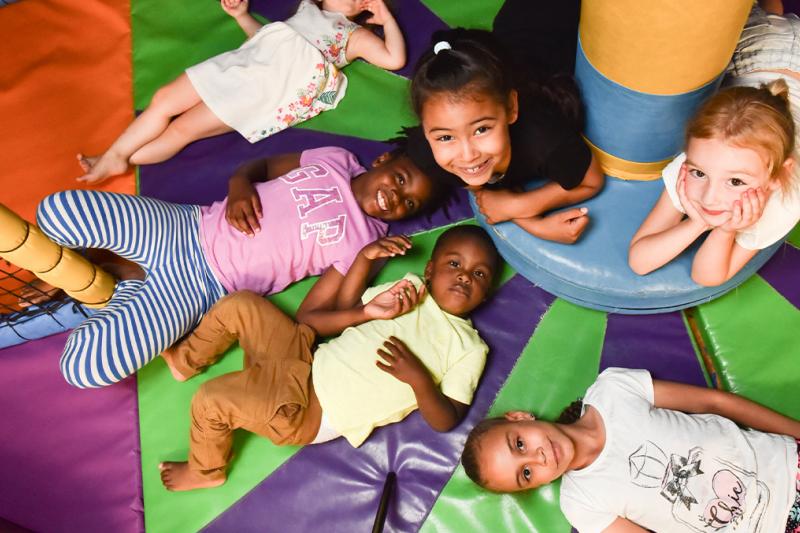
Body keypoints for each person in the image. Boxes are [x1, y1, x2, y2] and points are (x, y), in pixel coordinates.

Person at [35, 143, 443, 388]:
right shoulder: (335, 159)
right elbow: (260, 167)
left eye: (410, 205)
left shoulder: (366, 241)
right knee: (57, 212)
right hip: (184, 225)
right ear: (384, 160)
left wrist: (365, 301)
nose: (397, 198)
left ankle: (124, 288)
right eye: (402, 179)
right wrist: (239, 186)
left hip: (200, 287)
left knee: (85, 368)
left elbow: (312, 317)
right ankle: (122, 273)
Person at [157, 225, 500, 491]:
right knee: (241, 304)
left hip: (303, 407)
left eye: (479, 274)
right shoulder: (409, 288)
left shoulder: (468, 347)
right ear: (429, 269)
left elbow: (447, 419)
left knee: (210, 401)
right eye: (454, 263)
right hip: (300, 356)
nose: (464, 276)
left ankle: (205, 470)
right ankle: (186, 360)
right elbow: (329, 316)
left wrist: (418, 379)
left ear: (486, 295)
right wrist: (365, 278)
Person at [76, 0, 405, 183]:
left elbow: (394, 58)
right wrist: (241, 15)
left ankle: (121, 159)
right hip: (241, 64)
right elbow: (266, 43)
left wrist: (386, 18)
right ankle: (112, 156)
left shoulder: (352, 36)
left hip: (261, 91)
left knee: (182, 128)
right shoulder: (306, 10)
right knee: (163, 99)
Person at [461, 367, 800, 533]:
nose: (538, 457)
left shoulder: (612, 389)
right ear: (535, 486)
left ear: (520, 418)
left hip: (789, 466)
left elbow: (714, 402)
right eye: (526, 474)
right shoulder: (581, 504)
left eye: (519, 444)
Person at [628, 4, 800, 286]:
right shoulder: (695, 164)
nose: (709, 197)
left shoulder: (786, 204)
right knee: (751, 15)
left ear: (778, 175)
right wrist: (698, 223)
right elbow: (639, 260)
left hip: (768, 54)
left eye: (735, 181)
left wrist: (722, 230)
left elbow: (709, 277)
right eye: (699, 173)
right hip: (760, 46)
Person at [407, 0, 605, 244]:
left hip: (548, 17)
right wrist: (532, 223)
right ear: (426, 131)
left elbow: (592, 180)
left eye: (482, 129)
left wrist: (521, 205)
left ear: (512, 108)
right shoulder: (427, 153)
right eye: (446, 137)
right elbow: (479, 186)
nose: (467, 155)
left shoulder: (545, 141)